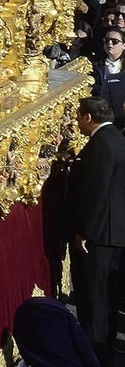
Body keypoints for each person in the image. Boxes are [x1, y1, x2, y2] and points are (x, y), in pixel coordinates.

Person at [67, 96, 125, 362]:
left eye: (79, 117)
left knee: (96, 299)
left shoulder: (102, 145)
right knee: (108, 297)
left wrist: (85, 232)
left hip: (99, 237)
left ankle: (94, 355)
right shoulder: (117, 138)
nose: (77, 122)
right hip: (114, 234)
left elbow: (97, 192)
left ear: (88, 117)